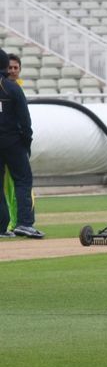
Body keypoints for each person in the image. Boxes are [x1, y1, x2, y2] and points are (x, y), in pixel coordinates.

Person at [0, 49, 41, 239]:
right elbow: (25, 119)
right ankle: (24, 223)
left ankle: (1, 226)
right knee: (23, 179)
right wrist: (27, 140)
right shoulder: (12, 87)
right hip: (13, 141)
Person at [2, 54, 23, 233]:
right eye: (10, 67)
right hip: (11, 142)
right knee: (10, 186)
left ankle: (15, 222)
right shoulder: (11, 90)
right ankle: (12, 222)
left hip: (15, 143)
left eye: (16, 68)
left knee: (15, 186)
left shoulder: (20, 88)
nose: (13, 71)